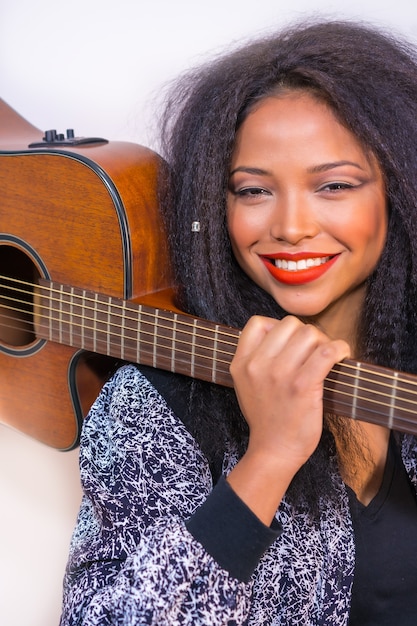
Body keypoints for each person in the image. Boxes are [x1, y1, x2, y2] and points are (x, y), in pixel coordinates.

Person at [60, 19, 417, 625]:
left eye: (333, 185)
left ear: (398, 192)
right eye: (253, 191)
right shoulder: (151, 404)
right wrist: (269, 458)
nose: (291, 226)